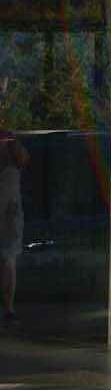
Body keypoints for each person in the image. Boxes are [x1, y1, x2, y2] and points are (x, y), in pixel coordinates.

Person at [0, 112, 28, 326]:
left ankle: (8, 308)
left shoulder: (9, 141)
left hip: (9, 210)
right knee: (9, 259)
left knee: (9, 258)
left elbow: (23, 159)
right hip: (10, 209)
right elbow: (23, 159)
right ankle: (8, 308)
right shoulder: (9, 141)